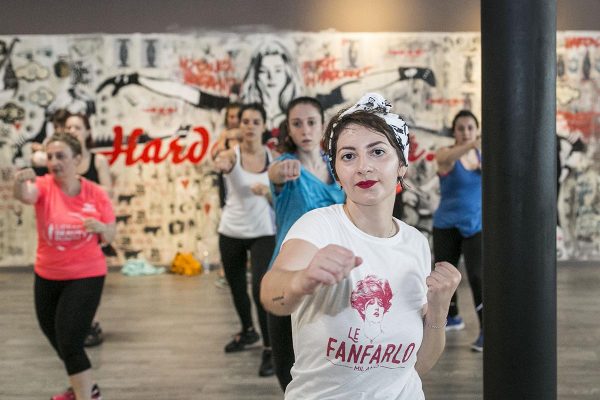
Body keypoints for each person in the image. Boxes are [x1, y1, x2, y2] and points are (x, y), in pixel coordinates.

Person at [260, 93, 461, 399]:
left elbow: (414, 367)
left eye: (378, 152)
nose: (363, 167)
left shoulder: (416, 243)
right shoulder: (319, 226)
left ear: (402, 166)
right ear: (338, 174)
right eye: (349, 156)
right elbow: (272, 294)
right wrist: (301, 281)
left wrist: (438, 310)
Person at [13, 131, 116, 400]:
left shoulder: (95, 193)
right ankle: (83, 386)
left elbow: (111, 234)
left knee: (70, 341)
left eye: (61, 156)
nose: (54, 161)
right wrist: (18, 182)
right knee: (56, 338)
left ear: (78, 159)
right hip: (47, 275)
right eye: (50, 156)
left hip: (86, 274)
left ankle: (87, 396)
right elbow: (25, 196)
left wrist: (102, 227)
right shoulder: (44, 186)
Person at [266, 96, 345, 390]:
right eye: (297, 124)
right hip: (290, 275)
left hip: (333, 279)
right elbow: (272, 174)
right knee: (288, 371)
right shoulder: (286, 165)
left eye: (311, 122)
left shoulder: (337, 166)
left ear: (322, 125)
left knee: (330, 366)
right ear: (288, 128)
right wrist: (278, 174)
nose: (305, 130)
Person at [213, 103, 276, 377]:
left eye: (255, 121)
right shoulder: (230, 154)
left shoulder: (274, 159)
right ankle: (247, 331)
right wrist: (221, 163)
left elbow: (279, 201)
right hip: (231, 232)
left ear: (263, 125)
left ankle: (270, 348)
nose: (249, 125)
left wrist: (267, 192)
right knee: (237, 288)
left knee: (259, 291)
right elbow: (221, 163)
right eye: (245, 121)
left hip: (263, 232)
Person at [432, 109, 483, 351]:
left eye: (470, 128)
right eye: (461, 128)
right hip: (446, 224)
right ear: (454, 131)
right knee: (444, 274)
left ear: (477, 129)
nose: (465, 132)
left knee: (478, 276)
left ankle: (486, 331)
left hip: (476, 225)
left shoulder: (483, 157)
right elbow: (447, 158)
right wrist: (473, 144)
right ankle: (452, 316)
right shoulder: (445, 155)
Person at [65, 113, 114, 348]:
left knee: (88, 279)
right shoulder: (61, 162)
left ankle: (91, 322)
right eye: (69, 127)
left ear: (86, 131)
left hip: (91, 229)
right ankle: (72, 321)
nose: (73, 130)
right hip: (66, 230)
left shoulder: (98, 161)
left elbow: (108, 191)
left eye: (78, 126)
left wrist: (82, 186)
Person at [210, 103, 241, 289]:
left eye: (238, 116)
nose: (234, 120)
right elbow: (215, 157)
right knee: (227, 228)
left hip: (249, 190)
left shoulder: (249, 138)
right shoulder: (225, 138)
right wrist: (224, 137)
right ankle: (226, 269)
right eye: (231, 116)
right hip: (228, 187)